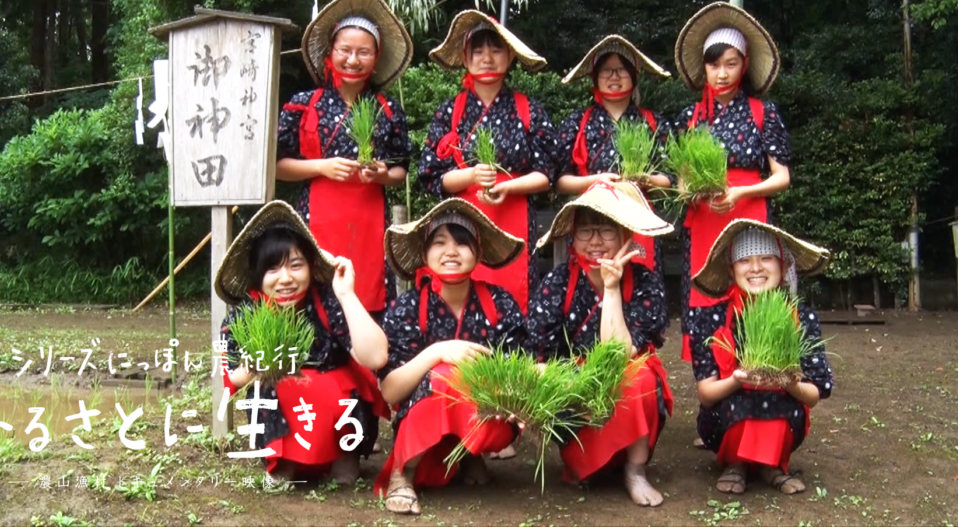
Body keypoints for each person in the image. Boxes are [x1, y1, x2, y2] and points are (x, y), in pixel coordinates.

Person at [214, 201, 390, 487]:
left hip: (336, 405)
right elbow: (230, 379)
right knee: (275, 386)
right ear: (259, 275)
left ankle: (344, 457)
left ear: (310, 266)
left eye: (296, 265)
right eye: (273, 269)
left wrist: (347, 296)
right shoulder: (245, 315)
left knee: (338, 384)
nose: (286, 279)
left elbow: (376, 356)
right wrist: (254, 366)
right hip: (285, 407)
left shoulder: (326, 301)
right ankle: (284, 461)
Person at [374, 198, 528, 515]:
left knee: (459, 380)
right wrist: (437, 352)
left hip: (489, 413)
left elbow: (520, 372)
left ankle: (469, 454)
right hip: (419, 417)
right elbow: (390, 391)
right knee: (444, 374)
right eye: (440, 242)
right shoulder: (407, 308)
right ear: (424, 253)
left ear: (479, 251)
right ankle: (403, 473)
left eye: (462, 242)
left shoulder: (500, 303)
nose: (451, 251)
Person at [527, 181, 675, 506]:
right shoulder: (557, 283)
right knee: (588, 473)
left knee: (642, 376)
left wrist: (611, 289)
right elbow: (538, 355)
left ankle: (635, 470)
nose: (595, 241)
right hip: (572, 383)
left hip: (625, 379)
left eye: (606, 230)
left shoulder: (645, 283)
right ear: (573, 238)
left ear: (625, 235)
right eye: (586, 231)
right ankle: (586, 459)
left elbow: (620, 353)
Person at [277, 0, 413, 315]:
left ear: (376, 57)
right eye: (345, 50)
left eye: (364, 52)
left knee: (368, 291)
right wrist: (321, 168)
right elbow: (278, 166)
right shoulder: (303, 104)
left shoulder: (388, 109)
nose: (353, 60)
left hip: (368, 221)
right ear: (331, 51)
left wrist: (382, 174)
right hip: (317, 217)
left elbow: (401, 171)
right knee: (315, 291)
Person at [671, 2, 792, 364]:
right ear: (704, 68)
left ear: (744, 64)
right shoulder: (689, 118)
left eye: (731, 63)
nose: (721, 73)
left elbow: (782, 177)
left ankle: (756, 368)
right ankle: (712, 379)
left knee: (753, 289)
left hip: (748, 217)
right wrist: (695, 190)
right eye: (714, 64)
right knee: (706, 294)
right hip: (704, 220)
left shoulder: (762, 112)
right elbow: (679, 186)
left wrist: (741, 191)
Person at [418, 10, 558, 314]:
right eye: (478, 50)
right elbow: (430, 176)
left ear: (509, 57)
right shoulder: (450, 111)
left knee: (515, 296)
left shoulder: (528, 109)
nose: (487, 58)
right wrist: (470, 177)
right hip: (462, 223)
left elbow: (548, 174)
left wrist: (508, 187)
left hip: (514, 216)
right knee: (461, 294)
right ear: (466, 58)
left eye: (496, 50)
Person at [688, 219, 834, 495]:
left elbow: (815, 393)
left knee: (778, 401)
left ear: (784, 265)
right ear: (731, 270)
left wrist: (789, 383)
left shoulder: (802, 317)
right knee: (739, 401)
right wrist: (736, 379)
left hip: (786, 416)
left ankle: (772, 465)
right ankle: (736, 463)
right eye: (744, 260)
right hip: (723, 419)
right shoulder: (712, 319)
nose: (755, 268)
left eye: (766, 258)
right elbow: (706, 395)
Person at [555, 35, 674, 276]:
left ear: (634, 75)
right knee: (590, 286)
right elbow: (559, 181)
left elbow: (670, 179)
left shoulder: (652, 123)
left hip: (641, 218)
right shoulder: (577, 123)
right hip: (591, 218)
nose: (614, 77)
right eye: (607, 71)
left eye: (621, 70)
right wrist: (595, 181)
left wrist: (644, 180)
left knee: (641, 285)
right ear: (595, 78)